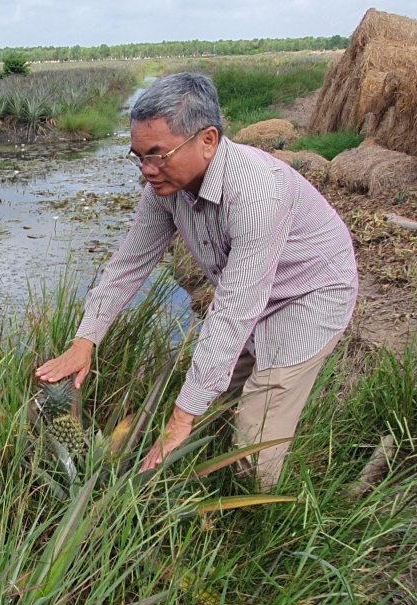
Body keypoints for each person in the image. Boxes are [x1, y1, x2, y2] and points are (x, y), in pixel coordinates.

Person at [35, 73, 358, 490]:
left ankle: (256, 523)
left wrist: (179, 419)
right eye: (138, 157)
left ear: (207, 139)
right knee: (223, 404)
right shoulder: (163, 187)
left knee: (254, 443)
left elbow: (235, 309)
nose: (147, 171)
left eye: (158, 155)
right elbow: (128, 263)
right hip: (249, 290)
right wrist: (85, 341)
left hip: (309, 293)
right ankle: (213, 475)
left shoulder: (257, 192)